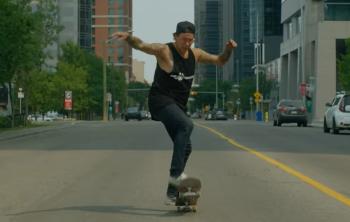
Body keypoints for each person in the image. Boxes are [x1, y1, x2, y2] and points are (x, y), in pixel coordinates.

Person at [113, 21, 237, 205]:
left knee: (187, 147)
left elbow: (220, 61)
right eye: (184, 40)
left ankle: (171, 192)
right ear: (175, 36)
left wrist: (228, 50)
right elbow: (143, 45)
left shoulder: (196, 54)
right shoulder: (164, 51)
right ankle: (175, 177)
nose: (187, 44)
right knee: (187, 125)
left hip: (177, 106)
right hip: (159, 101)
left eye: (191, 40)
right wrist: (130, 38)